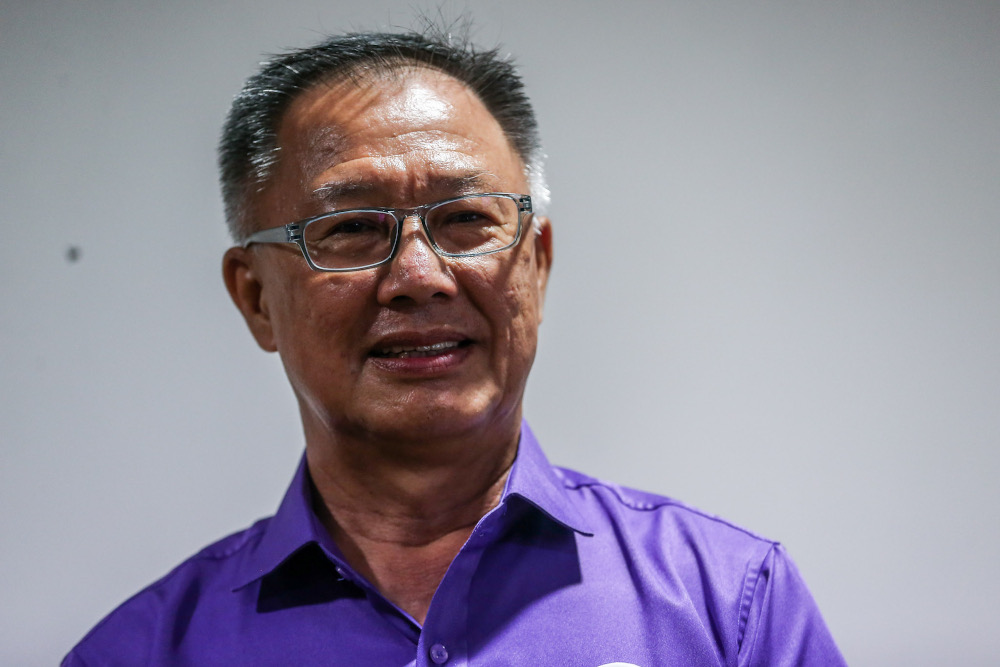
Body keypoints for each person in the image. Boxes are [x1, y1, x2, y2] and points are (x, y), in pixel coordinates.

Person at [64, 28, 846, 666]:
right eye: (352, 227)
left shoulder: (729, 609)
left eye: (467, 219)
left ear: (536, 264)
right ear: (256, 297)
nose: (419, 277)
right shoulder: (140, 652)